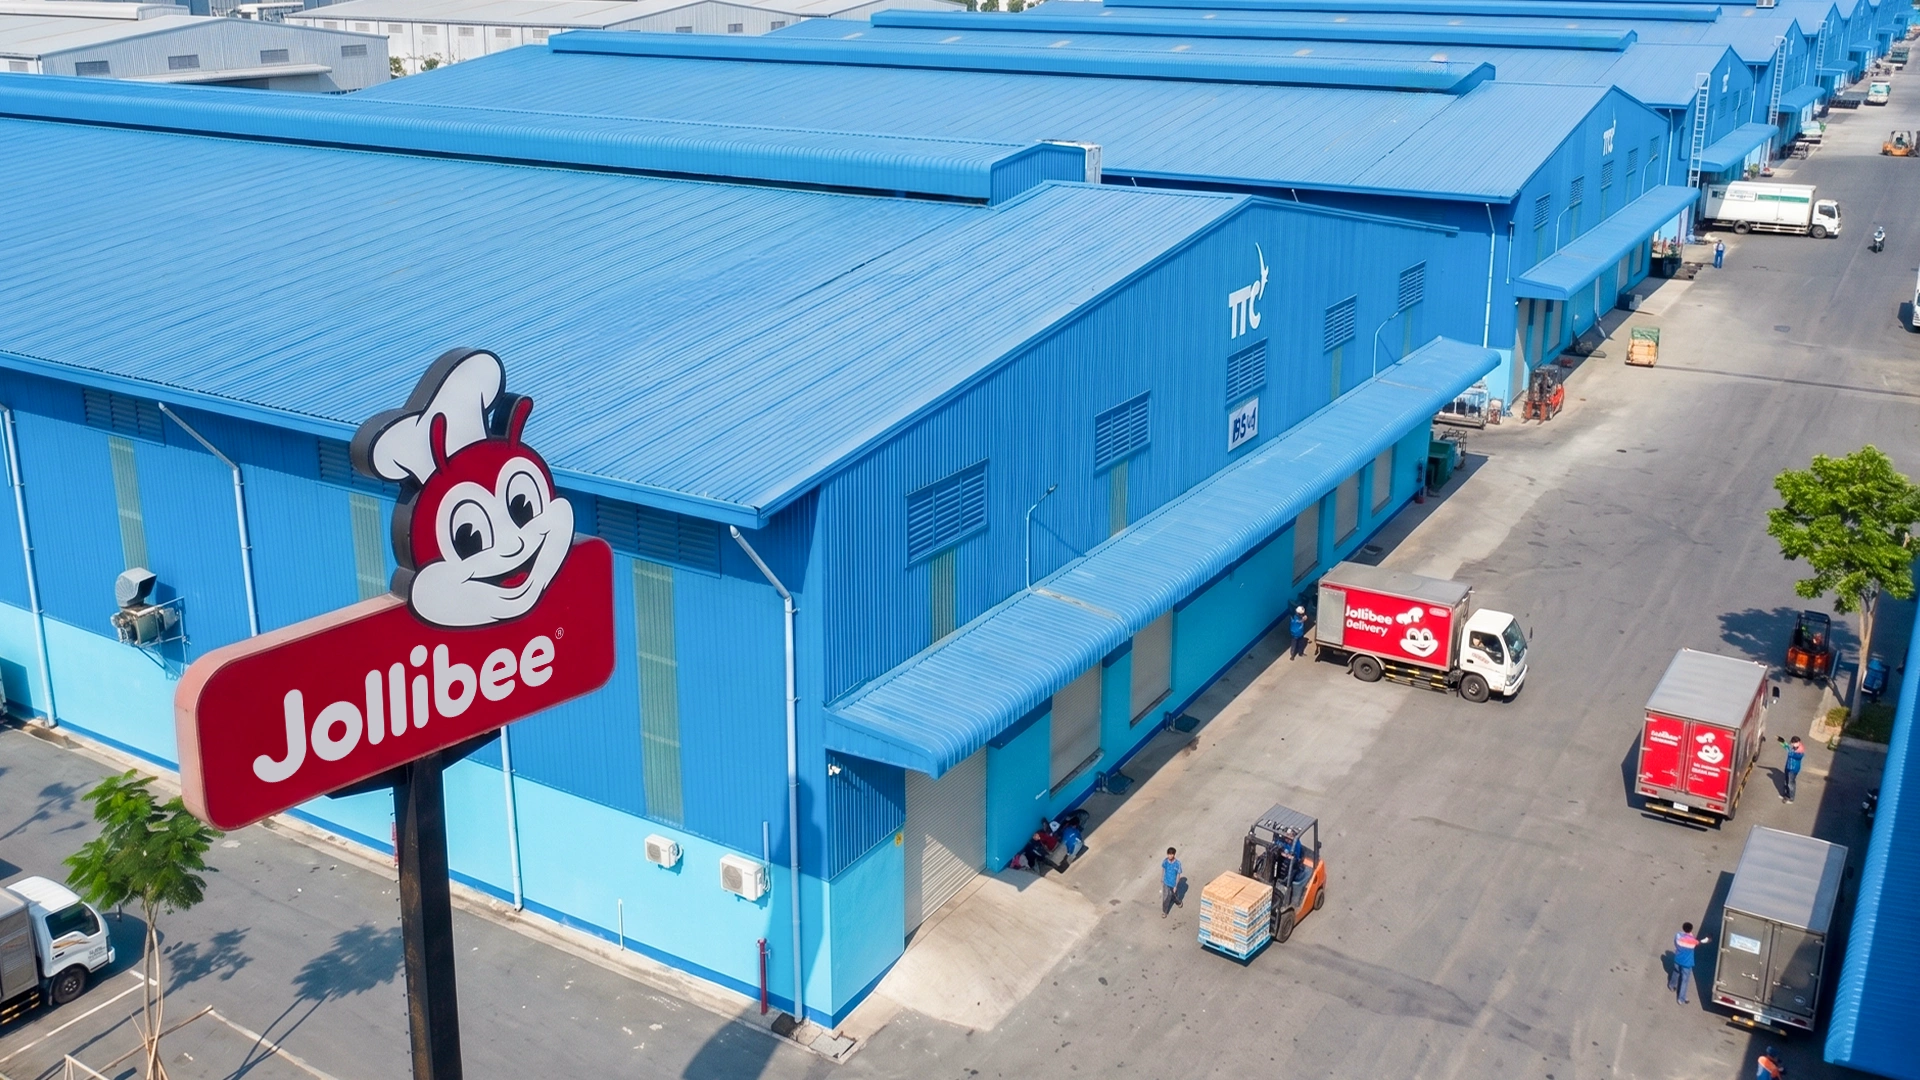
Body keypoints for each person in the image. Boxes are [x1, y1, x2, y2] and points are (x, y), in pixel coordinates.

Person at [1671, 921, 1709, 1003]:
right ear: (1691, 929)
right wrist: (1707, 939)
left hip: (1677, 959)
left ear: (1683, 928)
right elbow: (1701, 942)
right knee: (1684, 980)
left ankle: (1671, 985)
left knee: (1676, 972)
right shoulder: (1693, 941)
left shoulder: (1678, 936)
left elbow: (1675, 943)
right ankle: (1681, 998)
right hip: (1686, 963)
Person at [1780, 736, 1805, 803]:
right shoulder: (1793, 747)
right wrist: (1782, 742)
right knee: (1786, 781)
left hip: (1793, 769)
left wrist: (1788, 749)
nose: (1792, 744)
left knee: (1791, 783)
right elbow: (1787, 747)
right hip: (1788, 767)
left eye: (1793, 743)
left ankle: (1791, 798)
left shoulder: (1800, 751)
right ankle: (1786, 795)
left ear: (1798, 742)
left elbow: (1791, 753)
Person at [1162, 847, 1182, 918]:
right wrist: (1162, 878)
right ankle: (1165, 912)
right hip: (1166, 882)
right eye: (1169, 854)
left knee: (1173, 895)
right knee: (1166, 897)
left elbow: (1178, 875)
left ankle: (1178, 902)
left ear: (1174, 854)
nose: (1170, 856)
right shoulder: (1165, 861)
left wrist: (1175, 886)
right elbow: (1163, 869)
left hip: (1173, 884)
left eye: (1171, 854)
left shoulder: (1177, 864)